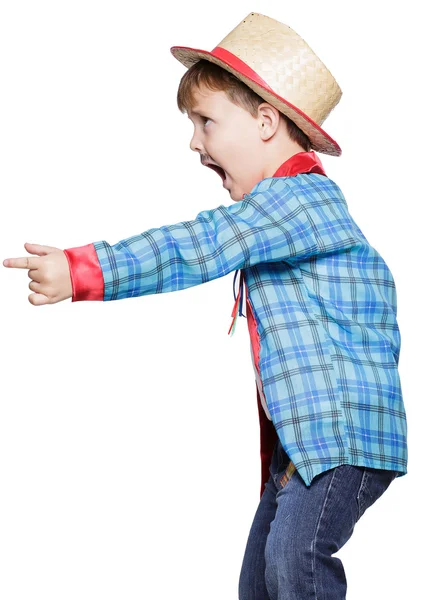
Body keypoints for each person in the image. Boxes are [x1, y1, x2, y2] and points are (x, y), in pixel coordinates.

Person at [3, 12, 408, 600]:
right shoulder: (286, 210)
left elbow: (199, 245)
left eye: (206, 122)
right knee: (261, 581)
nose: (194, 142)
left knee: (295, 564)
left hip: (340, 438)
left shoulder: (297, 200)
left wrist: (84, 269)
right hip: (304, 446)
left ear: (266, 122)